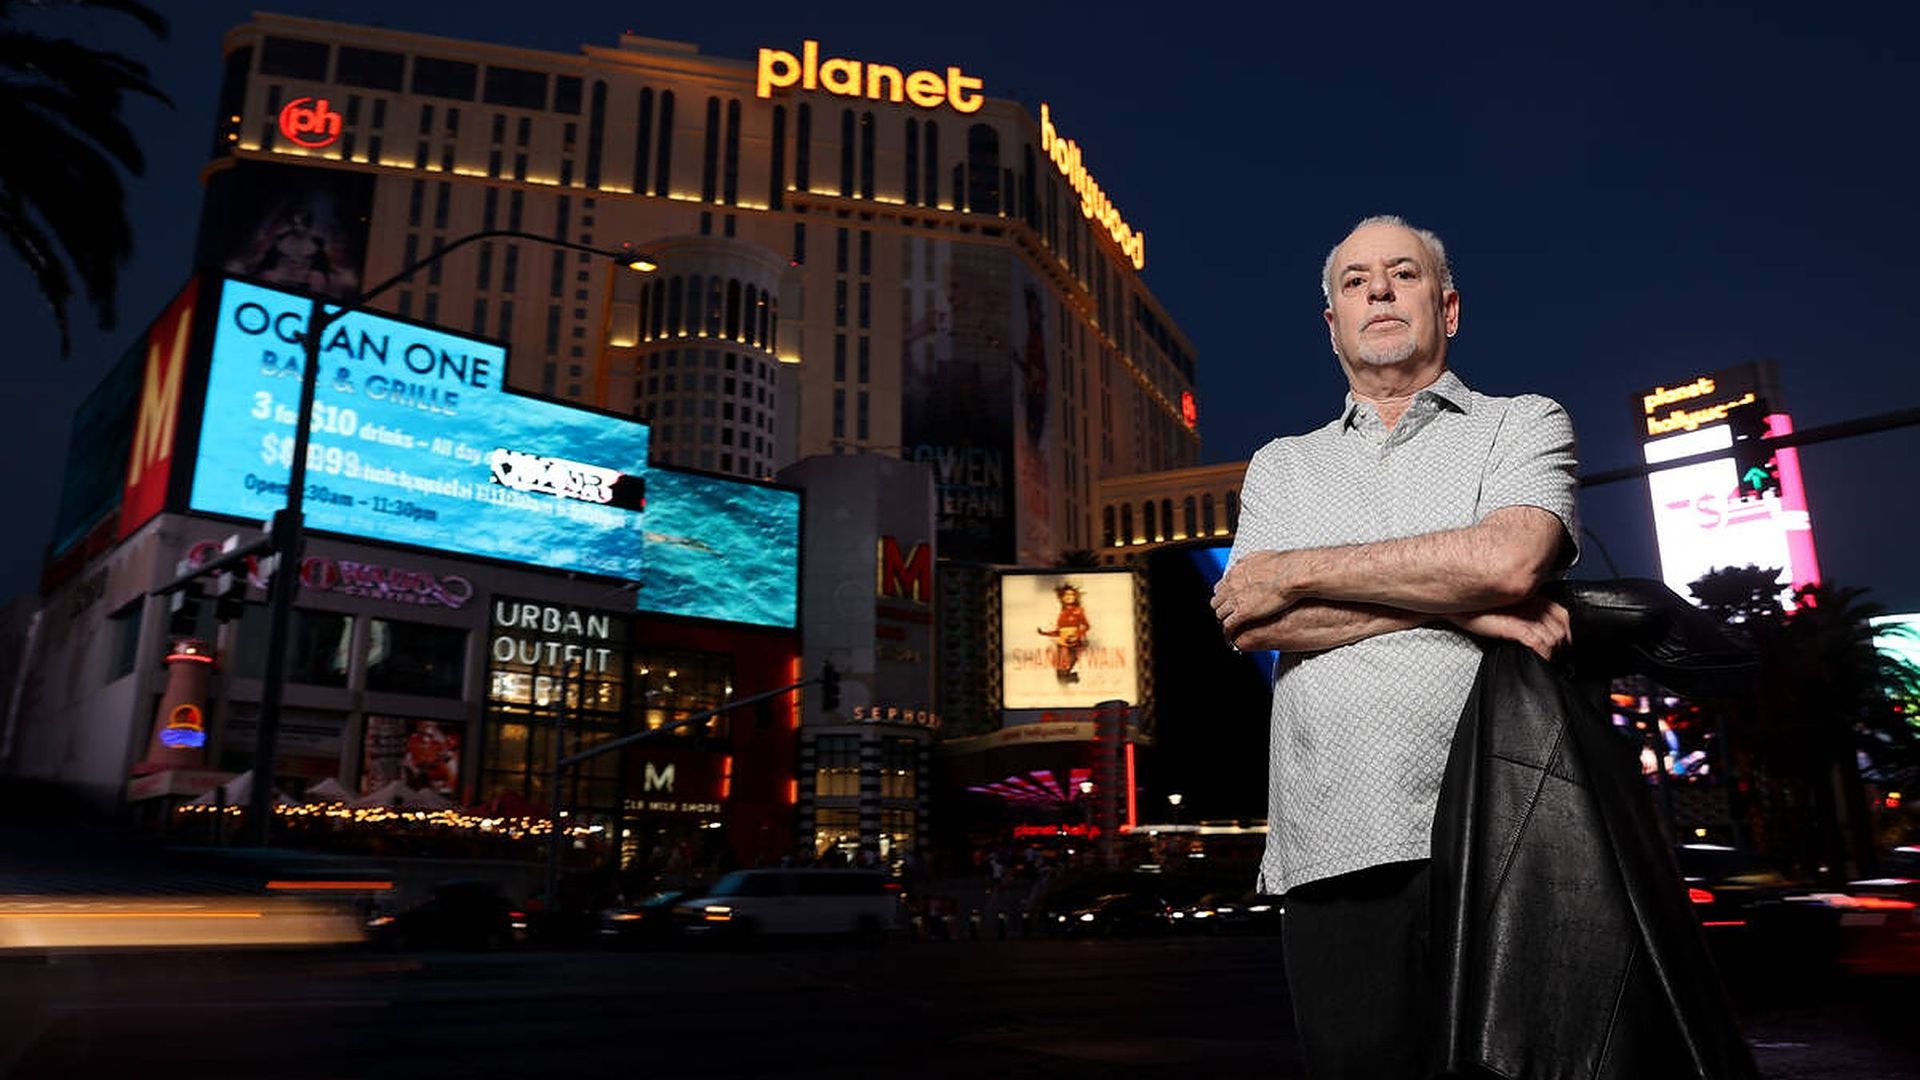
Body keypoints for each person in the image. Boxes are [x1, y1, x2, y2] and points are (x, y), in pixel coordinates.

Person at [1210, 215, 1579, 1079]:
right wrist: (1466, 606)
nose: (1378, 289)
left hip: (1505, 827)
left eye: (1403, 274)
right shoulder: (1283, 465)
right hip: (1332, 841)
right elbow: (1253, 622)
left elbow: (1509, 558)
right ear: (1331, 323)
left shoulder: (1520, 423)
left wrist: (1302, 572)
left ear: (1448, 309)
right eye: (1354, 280)